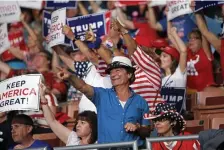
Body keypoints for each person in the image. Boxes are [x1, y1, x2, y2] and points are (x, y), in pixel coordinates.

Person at [56, 55, 150, 146]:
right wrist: (70, 77)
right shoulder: (102, 95)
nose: (113, 75)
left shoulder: (141, 102)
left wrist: (138, 127)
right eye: (111, 72)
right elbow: (83, 87)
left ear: (129, 74)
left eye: (117, 70)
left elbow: (147, 131)